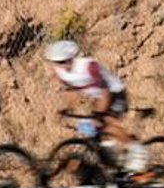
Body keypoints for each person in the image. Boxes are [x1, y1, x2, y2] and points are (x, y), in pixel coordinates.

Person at [43, 39, 139, 172]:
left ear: (73, 58)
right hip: (98, 96)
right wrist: (67, 109)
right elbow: (72, 90)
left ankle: (136, 150)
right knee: (95, 132)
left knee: (106, 124)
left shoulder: (88, 66)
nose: (61, 66)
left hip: (114, 92)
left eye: (64, 61)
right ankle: (113, 160)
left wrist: (99, 115)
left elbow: (105, 91)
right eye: (57, 62)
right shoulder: (60, 72)